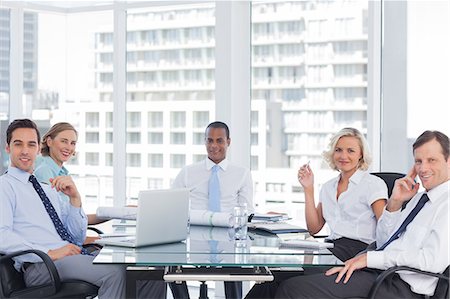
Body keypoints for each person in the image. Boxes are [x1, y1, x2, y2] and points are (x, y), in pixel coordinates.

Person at [0, 119, 165, 299]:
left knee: (149, 272)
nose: (25, 151)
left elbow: (75, 236)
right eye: (18, 144)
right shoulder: (5, 186)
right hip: (41, 265)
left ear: (38, 149)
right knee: (113, 273)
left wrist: (75, 200)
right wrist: (51, 253)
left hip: (66, 257)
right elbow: (2, 235)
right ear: (8, 148)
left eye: (31, 144)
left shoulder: (47, 189)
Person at [275, 130, 450, 299]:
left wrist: (370, 259)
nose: (423, 168)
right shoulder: (418, 199)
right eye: (418, 161)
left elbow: (430, 261)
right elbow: (384, 241)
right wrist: (395, 203)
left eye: (431, 160)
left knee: (293, 289)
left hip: (400, 286)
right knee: (275, 282)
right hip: (380, 272)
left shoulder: (446, 205)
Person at [245, 127, 388, 298]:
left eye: (350, 150)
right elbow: (314, 228)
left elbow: (386, 228)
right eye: (338, 150)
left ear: (361, 155)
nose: (343, 156)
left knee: (290, 287)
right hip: (330, 251)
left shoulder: (372, 184)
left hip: (358, 255)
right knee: (268, 280)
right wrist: (308, 189)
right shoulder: (328, 187)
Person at [171, 121, 254, 299]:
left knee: (235, 265)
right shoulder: (188, 172)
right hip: (193, 237)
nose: (213, 146)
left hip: (229, 238)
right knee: (170, 264)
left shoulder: (242, 173)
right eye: (209, 141)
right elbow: (172, 206)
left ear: (228, 142)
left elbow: (247, 211)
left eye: (219, 141)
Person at [34, 122, 105, 227]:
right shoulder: (45, 172)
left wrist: (113, 215)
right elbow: (56, 219)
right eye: (64, 141)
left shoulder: (62, 172)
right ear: (49, 141)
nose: (69, 147)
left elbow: (73, 217)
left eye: (73, 143)